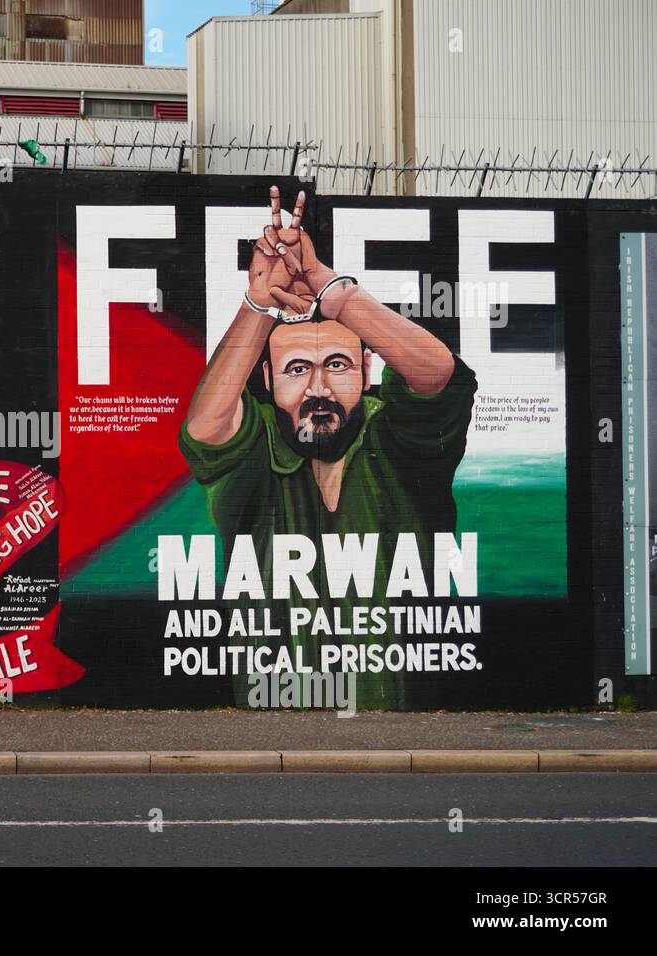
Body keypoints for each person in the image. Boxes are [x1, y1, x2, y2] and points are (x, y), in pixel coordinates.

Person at [180, 186, 477, 708]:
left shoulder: (396, 438)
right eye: (297, 369)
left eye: (337, 365)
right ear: (268, 380)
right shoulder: (259, 447)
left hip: (402, 723)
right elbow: (205, 427)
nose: (318, 389)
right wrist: (258, 304)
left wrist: (329, 289)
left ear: (367, 370)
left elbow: (438, 375)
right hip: (270, 720)